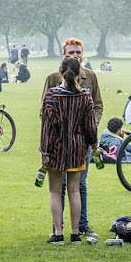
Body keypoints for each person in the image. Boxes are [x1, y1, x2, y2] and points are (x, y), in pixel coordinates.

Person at [41, 37, 104, 240]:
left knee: (55, 189)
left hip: (57, 146)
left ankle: (58, 233)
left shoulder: (53, 95)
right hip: (79, 145)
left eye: (77, 52)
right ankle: (75, 233)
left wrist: (45, 150)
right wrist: (93, 143)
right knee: (75, 190)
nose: (75, 55)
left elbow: (46, 123)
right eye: (71, 53)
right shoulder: (84, 96)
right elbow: (89, 122)